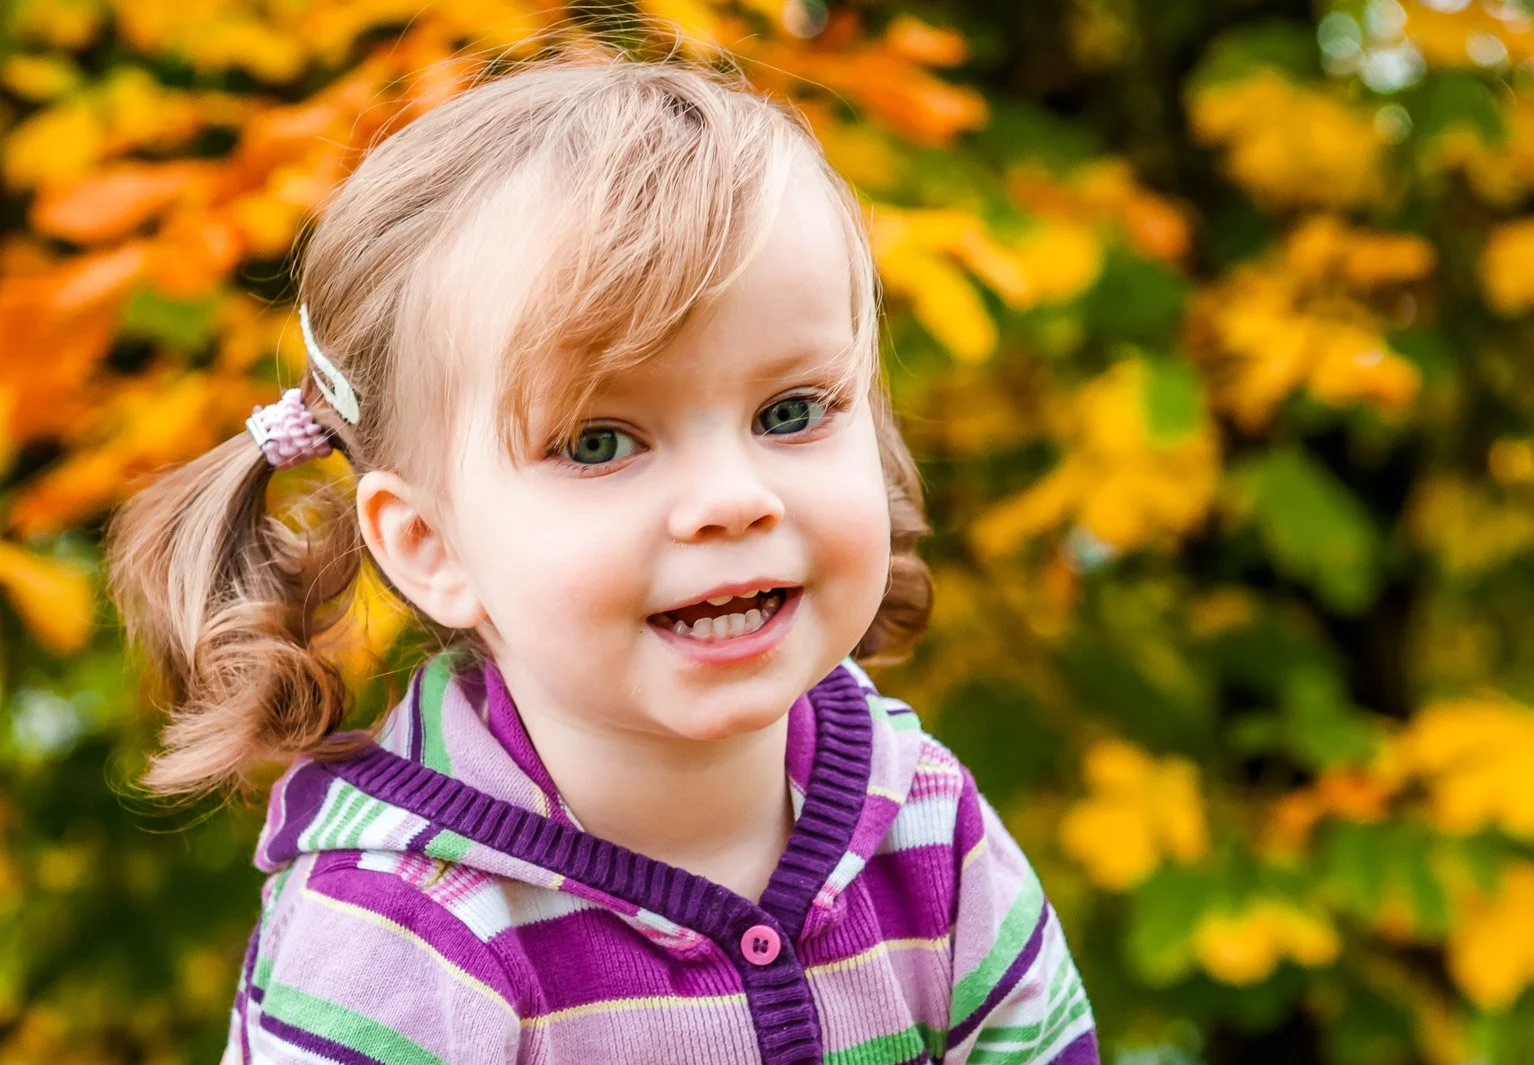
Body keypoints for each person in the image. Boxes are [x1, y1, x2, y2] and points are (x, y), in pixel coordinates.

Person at [106, 47, 1099, 1065]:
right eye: (598, 442)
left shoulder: (923, 825)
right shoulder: (401, 936)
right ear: (431, 545)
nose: (731, 500)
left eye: (790, 412)